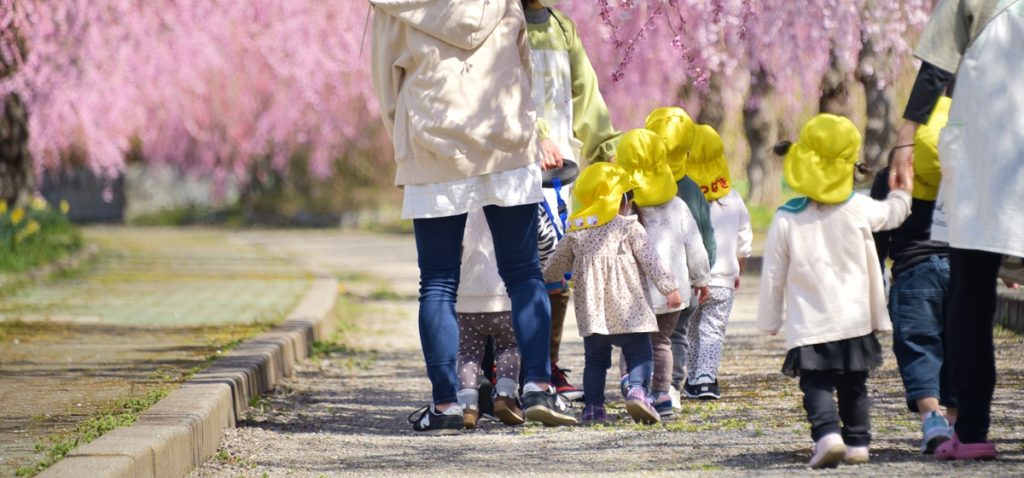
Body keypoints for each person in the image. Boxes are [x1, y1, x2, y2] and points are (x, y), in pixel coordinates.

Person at [370, 0, 576, 434]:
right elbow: (524, 70)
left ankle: (447, 403)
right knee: (524, 273)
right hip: (506, 143)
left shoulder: (395, 7)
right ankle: (538, 387)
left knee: (438, 282)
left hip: (433, 147)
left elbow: (387, 86)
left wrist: (407, 142)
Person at [888, 0, 1023, 460]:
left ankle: (972, 430)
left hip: (988, 152)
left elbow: (937, 64)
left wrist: (907, 136)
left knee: (972, 298)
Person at [758, 114, 912, 468]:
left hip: (810, 324)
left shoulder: (787, 217)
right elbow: (892, 214)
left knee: (816, 385)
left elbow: (773, 274)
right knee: (854, 384)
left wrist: (769, 319)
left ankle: (828, 435)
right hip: (855, 320)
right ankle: (858, 442)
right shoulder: (858, 207)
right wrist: (903, 190)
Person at [523, 0, 623, 400]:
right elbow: (503, 89)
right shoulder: (503, 20)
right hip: (515, 162)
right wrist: (536, 134)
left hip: (561, 169)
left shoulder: (561, 26)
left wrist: (606, 149)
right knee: (514, 271)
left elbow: (585, 93)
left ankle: (546, 364)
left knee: (557, 270)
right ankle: (508, 366)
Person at [543, 162, 684, 424]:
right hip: (630, 313)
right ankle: (637, 391)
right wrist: (670, 288)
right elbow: (651, 261)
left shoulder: (576, 233)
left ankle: (593, 408)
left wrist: (545, 280)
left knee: (595, 363)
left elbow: (552, 267)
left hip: (593, 316)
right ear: (620, 201)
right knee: (640, 355)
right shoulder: (629, 228)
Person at [871, 97, 957, 453]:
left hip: (911, 274)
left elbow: (878, 235)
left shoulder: (890, 178)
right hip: (961, 272)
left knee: (919, 346)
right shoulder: (965, 179)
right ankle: (956, 421)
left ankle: (931, 418)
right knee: (960, 346)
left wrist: (875, 277)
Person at [614, 128, 711, 418]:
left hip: (633, 294)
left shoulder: (622, 206)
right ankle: (662, 395)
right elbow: (695, 246)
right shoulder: (678, 205)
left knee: (631, 343)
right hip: (672, 293)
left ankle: (633, 385)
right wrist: (701, 279)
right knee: (662, 343)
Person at [644, 107, 718, 408]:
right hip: (682, 285)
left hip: (642, 286)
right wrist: (703, 276)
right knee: (675, 336)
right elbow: (704, 238)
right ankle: (670, 387)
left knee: (641, 337)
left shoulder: (635, 187)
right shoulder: (690, 189)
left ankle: (638, 383)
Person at [680, 125, 752, 400]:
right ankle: (705, 379)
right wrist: (738, 269)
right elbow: (744, 240)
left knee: (690, 330)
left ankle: (690, 378)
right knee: (712, 330)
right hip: (723, 280)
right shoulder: (733, 199)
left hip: (691, 279)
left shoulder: (684, 198)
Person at [455, 210, 525, 429]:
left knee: (468, 354)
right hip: (504, 297)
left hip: (466, 301)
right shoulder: (507, 208)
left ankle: (468, 406)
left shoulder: (461, 210)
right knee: (509, 348)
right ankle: (505, 397)